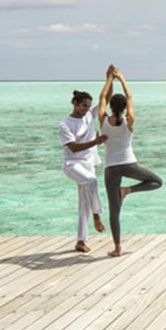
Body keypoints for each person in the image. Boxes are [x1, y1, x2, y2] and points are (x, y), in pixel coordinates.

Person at [98, 65, 162, 257]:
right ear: (125, 107)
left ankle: (117, 248)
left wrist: (109, 78)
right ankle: (128, 190)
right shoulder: (130, 120)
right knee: (157, 182)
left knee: (114, 211)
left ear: (110, 107)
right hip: (129, 164)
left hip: (111, 168)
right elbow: (131, 97)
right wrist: (121, 78)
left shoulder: (102, 120)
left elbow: (102, 97)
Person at [59, 67, 111, 253]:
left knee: (83, 203)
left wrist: (110, 79)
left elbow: (105, 98)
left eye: (88, 106)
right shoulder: (65, 124)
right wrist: (95, 141)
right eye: (83, 106)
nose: (86, 109)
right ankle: (97, 216)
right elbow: (72, 147)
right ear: (75, 103)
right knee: (91, 181)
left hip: (88, 163)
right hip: (72, 164)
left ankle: (81, 241)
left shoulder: (89, 115)